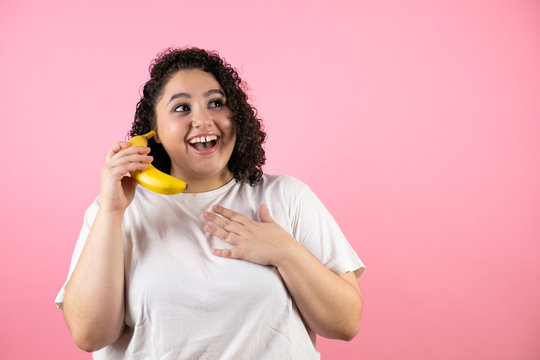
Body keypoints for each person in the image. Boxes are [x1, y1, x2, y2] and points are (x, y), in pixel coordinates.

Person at [55, 47, 365, 359]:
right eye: (181, 108)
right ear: (155, 132)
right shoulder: (116, 209)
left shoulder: (287, 196)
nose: (203, 119)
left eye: (216, 103)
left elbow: (345, 323)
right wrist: (111, 212)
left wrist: (286, 252)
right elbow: (89, 335)